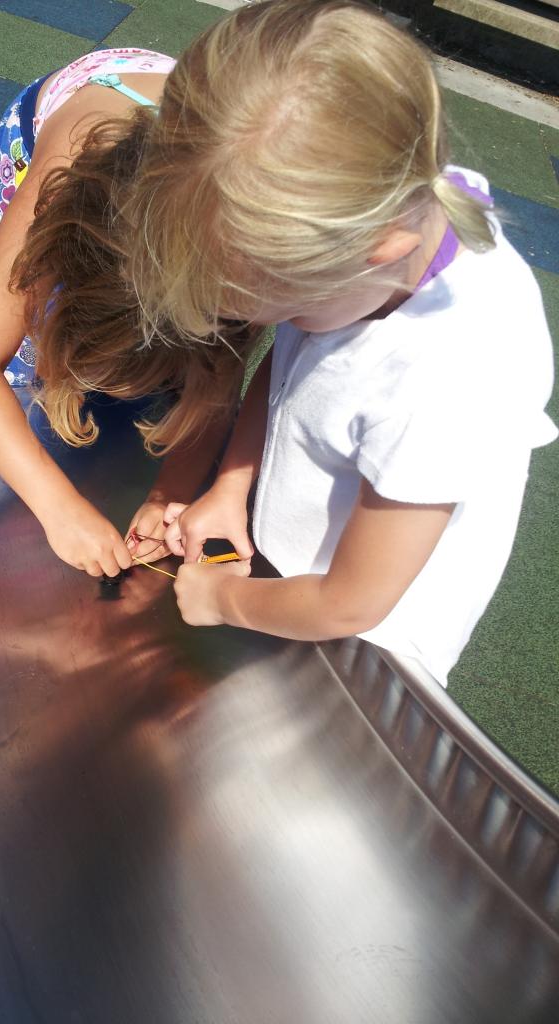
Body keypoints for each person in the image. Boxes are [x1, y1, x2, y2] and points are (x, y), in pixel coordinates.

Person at [121, 0, 557, 685]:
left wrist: (223, 597)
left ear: (379, 249)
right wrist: (231, 488)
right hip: (289, 580)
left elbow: (350, 601)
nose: (277, 326)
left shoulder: (445, 380)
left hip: (368, 647)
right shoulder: (389, 214)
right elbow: (297, 358)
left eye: (282, 305)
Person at [0, 48, 261, 579]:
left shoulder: (247, 261)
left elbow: (221, 378)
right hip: (91, 109)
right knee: (15, 331)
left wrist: (169, 494)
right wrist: (57, 508)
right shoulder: (58, 189)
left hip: (197, 158)